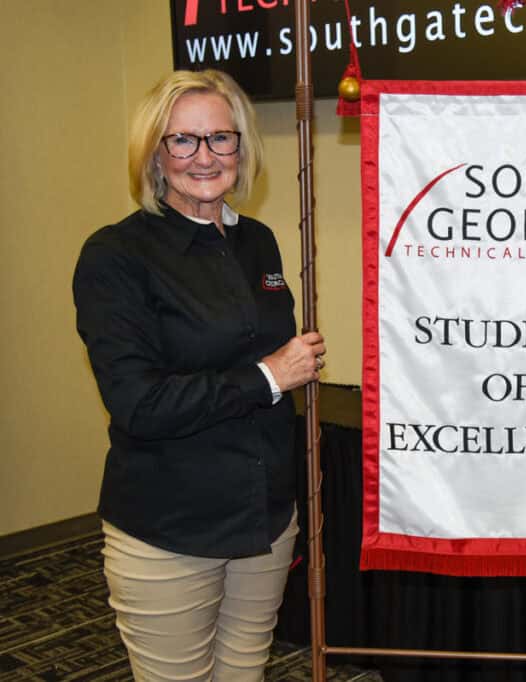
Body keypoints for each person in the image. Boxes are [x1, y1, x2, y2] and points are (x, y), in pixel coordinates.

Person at [73, 69, 325, 680]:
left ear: (242, 146)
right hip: (170, 527)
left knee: (244, 672)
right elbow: (138, 403)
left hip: (264, 518)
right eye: (183, 141)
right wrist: (267, 376)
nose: (205, 157)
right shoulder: (116, 256)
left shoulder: (259, 242)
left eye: (221, 138)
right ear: (155, 155)